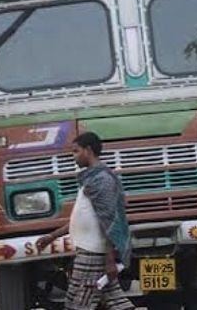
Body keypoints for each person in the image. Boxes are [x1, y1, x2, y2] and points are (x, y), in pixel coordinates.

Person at [36, 132, 132, 310]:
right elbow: (80, 219)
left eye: (76, 151)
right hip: (89, 250)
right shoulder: (90, 180)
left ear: (88, 150)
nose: (74, 157)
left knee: (78, 303)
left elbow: (109, 221)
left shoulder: (102, 180)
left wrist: (109, 259)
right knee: (115, 301)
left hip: (93, 252)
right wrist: (52, 236)